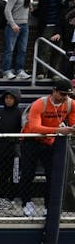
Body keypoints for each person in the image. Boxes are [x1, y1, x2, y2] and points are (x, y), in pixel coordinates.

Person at [18, 79, 75, 217]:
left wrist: (72, 128)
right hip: (30, 140)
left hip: (49, 141)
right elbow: (34, 127)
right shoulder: (40, 104)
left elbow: (73, 123)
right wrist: (59, 130)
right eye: (61, 94)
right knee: (27, 173)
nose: (64, 97)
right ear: (54, 91)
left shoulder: (70, 104)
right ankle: (26, 203)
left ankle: (48, 206)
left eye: (67, 94)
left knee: (52, 174)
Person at [0, 86, 22, 210]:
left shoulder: (20, 113)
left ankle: (11, 198)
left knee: (13, 175)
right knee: (2, 175)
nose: (8, 100)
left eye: (11, 98)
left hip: (14, 151)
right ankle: (2, 197)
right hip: (0, 150)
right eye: (6, 98)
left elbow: (22, 131)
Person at [2, 0, 35, 80]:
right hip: (14, 25)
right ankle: (6, 71)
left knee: (22, 50)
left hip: (25, 25)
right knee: (9, 49)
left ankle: (19, 70)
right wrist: (13, 24)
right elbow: (7, 11)